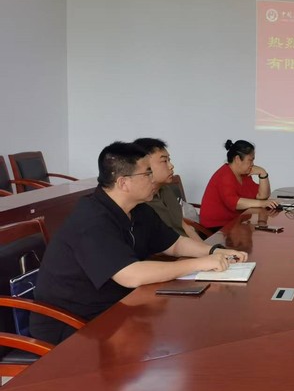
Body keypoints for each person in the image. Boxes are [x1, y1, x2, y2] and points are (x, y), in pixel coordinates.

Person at [30, 141, 247, 345]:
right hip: (73, 325)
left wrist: (214, 251)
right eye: (147, 173)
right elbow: (130, 274)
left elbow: (174, 244)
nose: (153, 179)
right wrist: (199, 264)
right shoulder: (91, 219)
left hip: (117, 307)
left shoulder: (139, 209)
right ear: (123, 183)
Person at [133, 138, 202, 241]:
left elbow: (183, 225)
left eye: (169, 160)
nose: (171, 166)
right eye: (164, 161)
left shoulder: (166, 189)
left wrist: (207, 248)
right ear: (145, 165)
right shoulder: (139, 203)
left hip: (186, 245)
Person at [200, 139, 278, 229]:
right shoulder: (225, 175)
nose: (252, 164)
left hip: (235, 223)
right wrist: (262, 203)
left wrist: (263, 173)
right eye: (250, 160)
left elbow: (262, 196)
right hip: (217, 227)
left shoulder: (244, 174)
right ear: (237, 159)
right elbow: (235, 203)